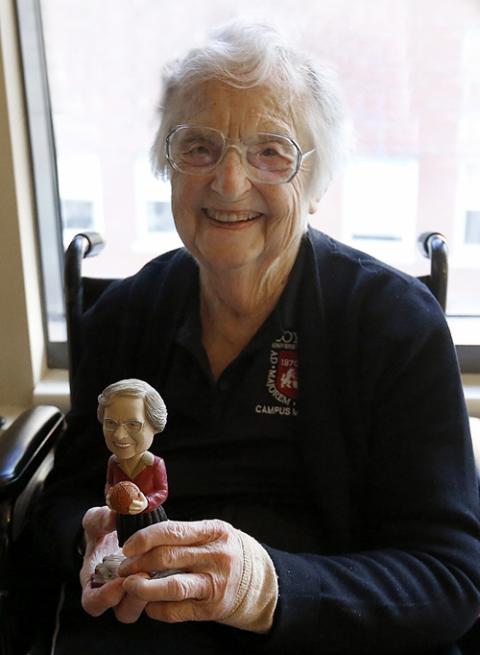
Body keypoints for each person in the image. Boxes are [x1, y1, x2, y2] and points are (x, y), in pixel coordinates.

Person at [35, 21, 480, 655]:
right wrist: (91, 541)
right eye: (199, 148)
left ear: (316, 183)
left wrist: (262, 588)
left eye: (271, 151)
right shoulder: (123, 317)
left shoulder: (395, 325)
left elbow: (451, 578)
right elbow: (63, 501)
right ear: (169, 167)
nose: (229, 181)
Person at [98, 379, 168, 548]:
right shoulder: (114, 462)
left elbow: (162, 490)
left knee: (153, 550)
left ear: (154, 425)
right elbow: (110, 482)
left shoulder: (155, 464)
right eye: (110, 423)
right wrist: (110, 494)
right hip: (124, 518)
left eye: (133, 424)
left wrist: (147, 502)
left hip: (150, 517)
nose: (119, 435)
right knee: (126, 549)